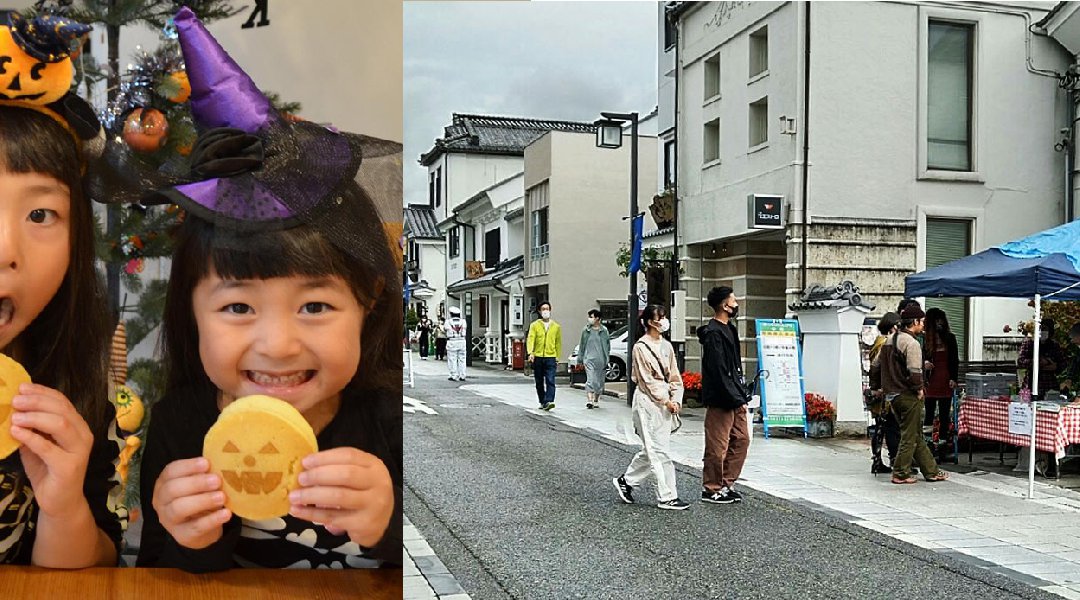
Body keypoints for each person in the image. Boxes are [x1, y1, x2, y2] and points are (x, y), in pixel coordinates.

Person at [133, 8, 400, 570]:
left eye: (315, 305)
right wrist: (189, 539)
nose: (277, 344)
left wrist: (392, 524)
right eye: (236, 306)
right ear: (192, 312)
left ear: (368, 299)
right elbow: (163, 574)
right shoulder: (183, 426)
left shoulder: (390, 422)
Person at [0, 10, 122, 567]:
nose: (6, 250)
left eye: (42, 213)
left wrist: (64, 505)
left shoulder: (82, 389)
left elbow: (95, 566)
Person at [612, 305, 688, 510]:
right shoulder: (640, 347)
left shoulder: (667, 346)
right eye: (658, 317)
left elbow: (675, 376)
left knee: (653, 448)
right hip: (647, 402)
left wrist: (677, 399)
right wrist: (667, 401)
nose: (662, 321)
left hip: (664, 402)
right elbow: (647, 381)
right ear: (648, 322)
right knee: (659, 451)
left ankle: (626, 481)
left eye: (664, 317)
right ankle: (667, 496)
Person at [869, 302, 949, 484]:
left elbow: (875, 367)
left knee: (916, 434)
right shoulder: (911, 343)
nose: (923, 325)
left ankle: (931, 471)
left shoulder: (889, 341)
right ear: (915, 322)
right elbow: (914, 371)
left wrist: (875, 387)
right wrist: (919, 389)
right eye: (922, 321)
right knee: (909, 435)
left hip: (892, 395)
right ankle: (901, 472)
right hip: (907, 394)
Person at [698, 286, 751, 504]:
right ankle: (711, 488)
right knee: (717, 446)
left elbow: (734, 366)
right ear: (724, 305)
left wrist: (742, 394)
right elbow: (718, 370)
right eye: (733, 300)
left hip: (735, 395)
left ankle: (726, 483)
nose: (736, 304)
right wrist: (733, 396)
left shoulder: (731, 329)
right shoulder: (713, 333)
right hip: (721, 398)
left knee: (742, 440)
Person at [867, 313, 901, 474]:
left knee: (881, 427)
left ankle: (877, 459)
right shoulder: (885, 344)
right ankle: (891, 459)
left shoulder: (878, 342)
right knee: (890, 427)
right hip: (883, 392)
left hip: (878, 391)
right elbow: (880, 368)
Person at [922, 308, 958, 459]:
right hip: (931, 379)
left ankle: (943, 444)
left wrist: (954, 378)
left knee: (945, 415)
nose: (939, 323)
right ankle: (928, 443)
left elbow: (955, 360)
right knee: (929, 413)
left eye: (941, 320)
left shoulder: (950, 338)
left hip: (945, 378)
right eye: (936, 320)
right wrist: (924, 364)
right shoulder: (925, 339)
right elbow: (920, 357)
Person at [1017, 317, 1067, 396]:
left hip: (1050, 385)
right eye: (1040, 328)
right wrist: (1037, 362)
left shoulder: (1054, 345)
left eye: (1045, 329)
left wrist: (1056, 366)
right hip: (1031, 383)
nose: (1042, 331)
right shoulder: (1029, 343)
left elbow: (1063, 363)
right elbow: (1021, 361)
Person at [527, 302, 562, 411]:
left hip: (551, 357)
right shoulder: (535, 325)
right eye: (543, 309)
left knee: (550, 379)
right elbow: (531, 339)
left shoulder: (556, 326)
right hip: (538, 356)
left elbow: (558, 343)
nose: (546, 311)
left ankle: (549, 400)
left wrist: (557, 356)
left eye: (547, 309)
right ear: (539, 311)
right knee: (539, 381)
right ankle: (542, 400)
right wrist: (531, 352)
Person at [579, 309, 610, 409]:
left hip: (601, 359)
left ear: (598, 318)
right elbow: (582, 345)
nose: (590, 319)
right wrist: (580, 358)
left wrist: (607, 358)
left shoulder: (604, 331)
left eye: (592, 317)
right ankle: (590, 400)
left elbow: (607, 345)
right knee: (591, 380)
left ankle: (596, 399)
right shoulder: (586, 331)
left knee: (599, 382)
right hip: (589, 359)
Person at [445, 307, 467, 381]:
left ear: (451, 314)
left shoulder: (448, 322)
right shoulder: (463, 321)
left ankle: (454, 375)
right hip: (462, 340)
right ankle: (462, 375)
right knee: (462, 359)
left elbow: (445, 329)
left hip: (452, 341)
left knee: (452, 358)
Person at [1059, 323, 1080, 396]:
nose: (1070, 338)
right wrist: (1068, 379)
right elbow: (1075, 363)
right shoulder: (1077, 350)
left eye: (1072, 336)